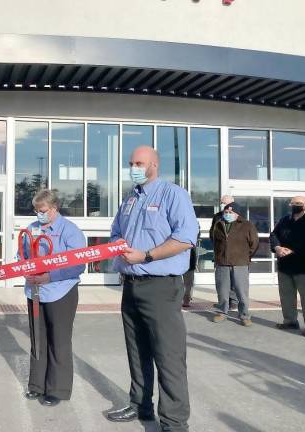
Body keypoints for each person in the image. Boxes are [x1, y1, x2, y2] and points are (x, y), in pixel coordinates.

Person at [107, 146, 198, 432]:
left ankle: (174, 422)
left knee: (168, 355)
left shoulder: (173, 195)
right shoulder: (129, 200)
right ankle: (140, 405)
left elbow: (185, 238)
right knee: (137, 351)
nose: (134, 167)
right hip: (131, 285)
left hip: (161, 286)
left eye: (140, 163)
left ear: (154, 165)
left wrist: (146, 256)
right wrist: (118, 249)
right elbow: (116, 234)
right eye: (131, 163)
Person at [21, 189, 86, 407]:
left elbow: (78, 264)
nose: (38, 214)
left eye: (42, 210)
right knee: (37, 339)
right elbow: (22, 256)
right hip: (35, 293)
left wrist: (50, 276)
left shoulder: (70, 231)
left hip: (61, 292)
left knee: (58, 341)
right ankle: (36, 386)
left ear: (54, 208)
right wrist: (25, 271)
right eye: (36, 210)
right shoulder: (32, 229)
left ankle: (57, 389)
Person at [270, 196, 305, 337]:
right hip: (285, 266)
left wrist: (294, 250)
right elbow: (274, 235)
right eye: (293, 203)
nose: (295, 205)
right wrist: (277, 247)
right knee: (286, 296)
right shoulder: (285, 220)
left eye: (299, 203)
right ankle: (290, 321)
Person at [210, 202, 259, 326]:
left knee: (241, 291)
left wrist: (245, 256)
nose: (227, 214)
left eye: (230, 212)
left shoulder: (247, 225)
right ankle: (222, 312)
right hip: (222, 262)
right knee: (222, 290)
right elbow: (214, 241)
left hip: (240, 263)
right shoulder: (218, 223)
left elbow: (254, 243)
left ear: (237, 214)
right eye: (226, 212)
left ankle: (244, 315)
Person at [210, 195, 239, 310]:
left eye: (224, 203)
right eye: (221, 203)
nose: (222, 205)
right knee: (221, 280)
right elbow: (213, 232)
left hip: (236, 255)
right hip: (220, 253)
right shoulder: (217, 216)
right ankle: (222, 302)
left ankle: (234, 301)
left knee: (234, 280)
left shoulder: (238, 217)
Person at [182, 225, 200, 307]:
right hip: (177, 259)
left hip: (190, 259)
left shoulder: (194, 227)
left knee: (188, 282)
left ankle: (186, 300)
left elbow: (197, 234)